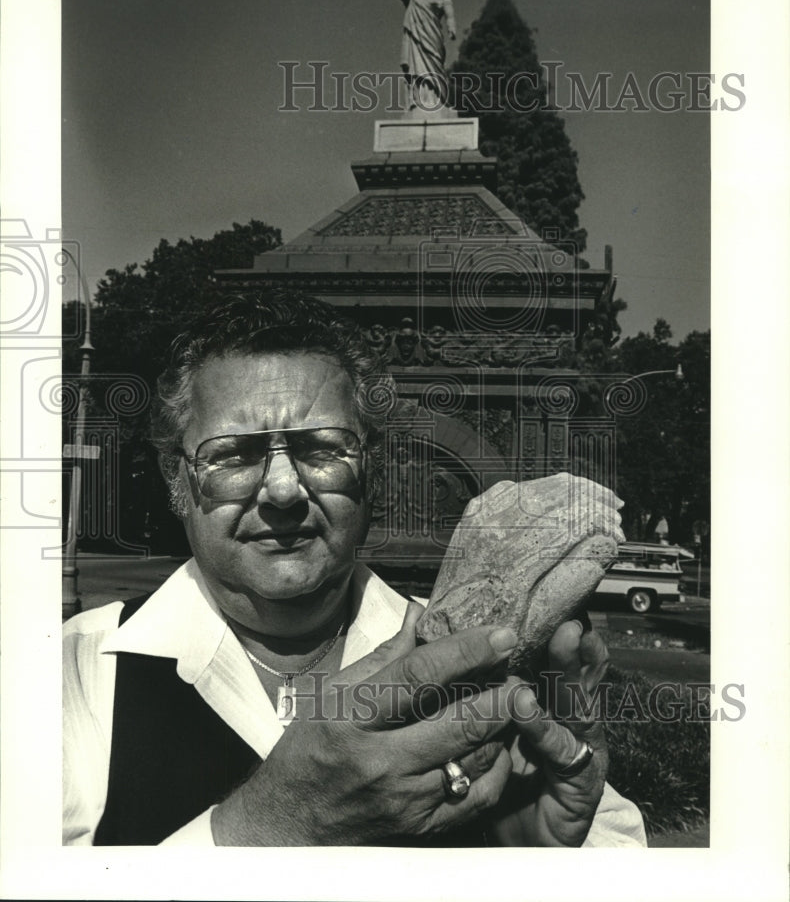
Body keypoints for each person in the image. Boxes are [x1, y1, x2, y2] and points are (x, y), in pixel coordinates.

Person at [63, 289, 646, 847]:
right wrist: (272, 824)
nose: (284, 490)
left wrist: (524, 869)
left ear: (372, 470)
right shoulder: (73, 675)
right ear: (177, 481)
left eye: (322, 447)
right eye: (235, 454)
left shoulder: (485, 664)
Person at [388, 0, 457, 110]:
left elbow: (450, 14)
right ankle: (419, 102)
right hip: (416, 42)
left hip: (432, 42)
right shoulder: (413, 0)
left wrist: (451, 27)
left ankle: (436, 102)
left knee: (434, 72)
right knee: (415, 71)